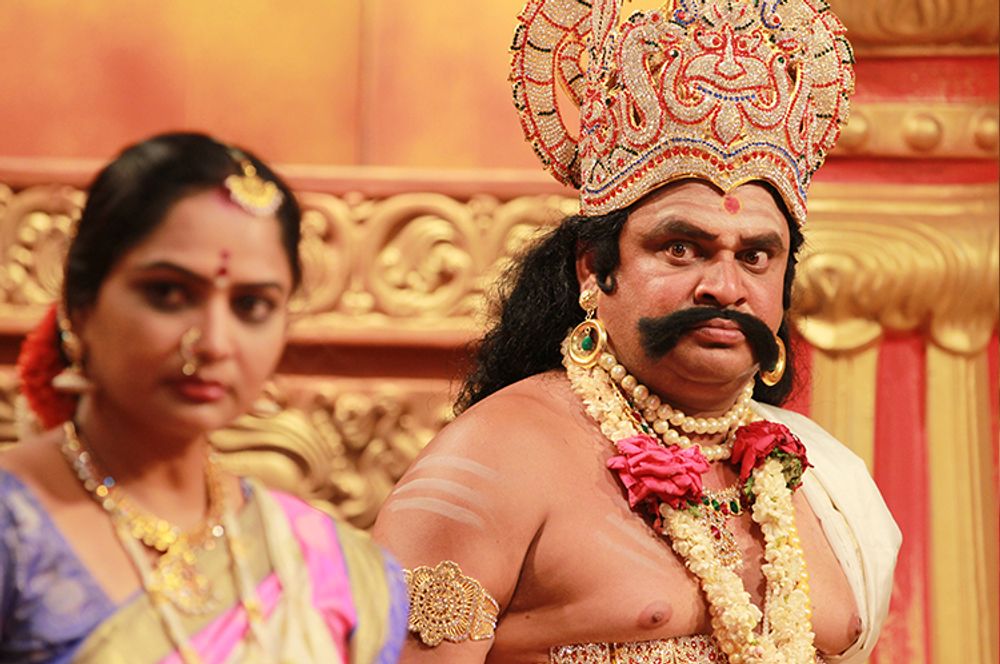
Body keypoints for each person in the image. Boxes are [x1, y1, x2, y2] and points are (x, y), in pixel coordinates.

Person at [373, 1, 901, 662]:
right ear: (594, 269)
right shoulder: (494, 459)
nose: (724, 286)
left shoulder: (822, 477)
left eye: (755, 255)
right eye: (681, 248)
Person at [0, 132, 408, 663]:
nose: (213, 343)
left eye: (251, 305)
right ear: (80, 307)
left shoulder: (332, 565)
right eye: (169, 294)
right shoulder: (14, 529)